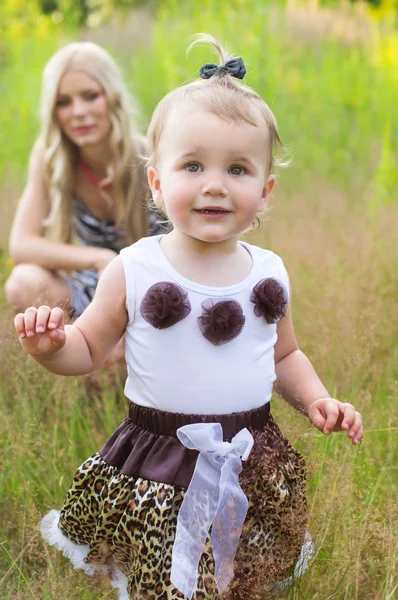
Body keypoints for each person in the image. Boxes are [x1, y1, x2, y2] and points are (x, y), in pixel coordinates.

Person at [14, 35, 363, 600]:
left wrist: (317, 400)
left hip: (249, 453)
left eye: (238, 169)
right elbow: (88, 348)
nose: (214, 185)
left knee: (237, 577)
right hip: (159, 462)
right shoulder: (135, 267)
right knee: (164, 581)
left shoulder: (268, 272)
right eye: (193, 165)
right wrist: (51, 348)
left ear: (265, 190)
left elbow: (285, 355)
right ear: (157, 181)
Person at [5, 41, 164, 321]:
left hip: (160, 289)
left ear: (112, 97)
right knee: (22, 282)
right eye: (63, 102)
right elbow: (21, 245)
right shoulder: (50, 158)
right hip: (98, 285)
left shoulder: (149, 155)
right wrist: (98, 258)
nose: (78, 112)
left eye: (90, 96)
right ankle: (78, 355)